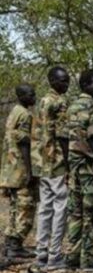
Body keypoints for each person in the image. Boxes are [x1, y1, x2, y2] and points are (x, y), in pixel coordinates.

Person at [64, 70, 93, 270]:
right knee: (90, 211)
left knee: (75, 212)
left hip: (73, 165)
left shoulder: (71, 106)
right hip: (88, 166)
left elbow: (64, 138)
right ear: (87, 85)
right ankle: (87, 258)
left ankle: (72, 255)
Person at [33, 66, 71, 269]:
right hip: (56, 162)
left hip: (43, 161)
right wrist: (67, 162)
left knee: (45, 207)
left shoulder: (42, 101)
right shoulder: (59, 101)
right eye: (63, 81)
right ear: (52, 81)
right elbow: (63, 135)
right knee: (59, 207)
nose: (66, 84)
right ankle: (54, 256)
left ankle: (41, 253)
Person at [1, 84, 38, 259]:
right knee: (26, 206)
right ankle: (15, 244)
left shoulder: (14, 111)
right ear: (21, 96)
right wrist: (30, 171)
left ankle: (10, 243)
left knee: (15, 207)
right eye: (30, 94)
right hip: (21, 169)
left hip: (10, 169)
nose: (34, 96)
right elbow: (25, 143)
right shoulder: (25, 114)